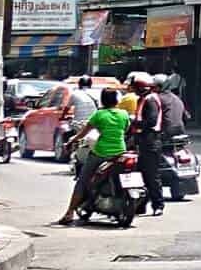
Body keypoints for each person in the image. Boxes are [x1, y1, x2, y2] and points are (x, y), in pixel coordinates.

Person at [55, 87, 130, 225]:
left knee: (82, 181)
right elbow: (125, 129)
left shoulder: (99, 115)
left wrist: (71, 141)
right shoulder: (123, 114)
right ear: (116, 100)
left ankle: (69, 213)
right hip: (120, 151)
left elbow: (83, 133)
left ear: (103, 100)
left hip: (101, 152)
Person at [125, 72, 166, 217]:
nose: (133, 91)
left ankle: (158, 205)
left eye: (135, 88)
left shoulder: (151, 100)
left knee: (152, 176)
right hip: (142, 142)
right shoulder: (142, 100)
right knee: (139, 175)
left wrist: (136, 123)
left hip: (150, 142)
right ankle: (140, 205)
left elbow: (152, 121)